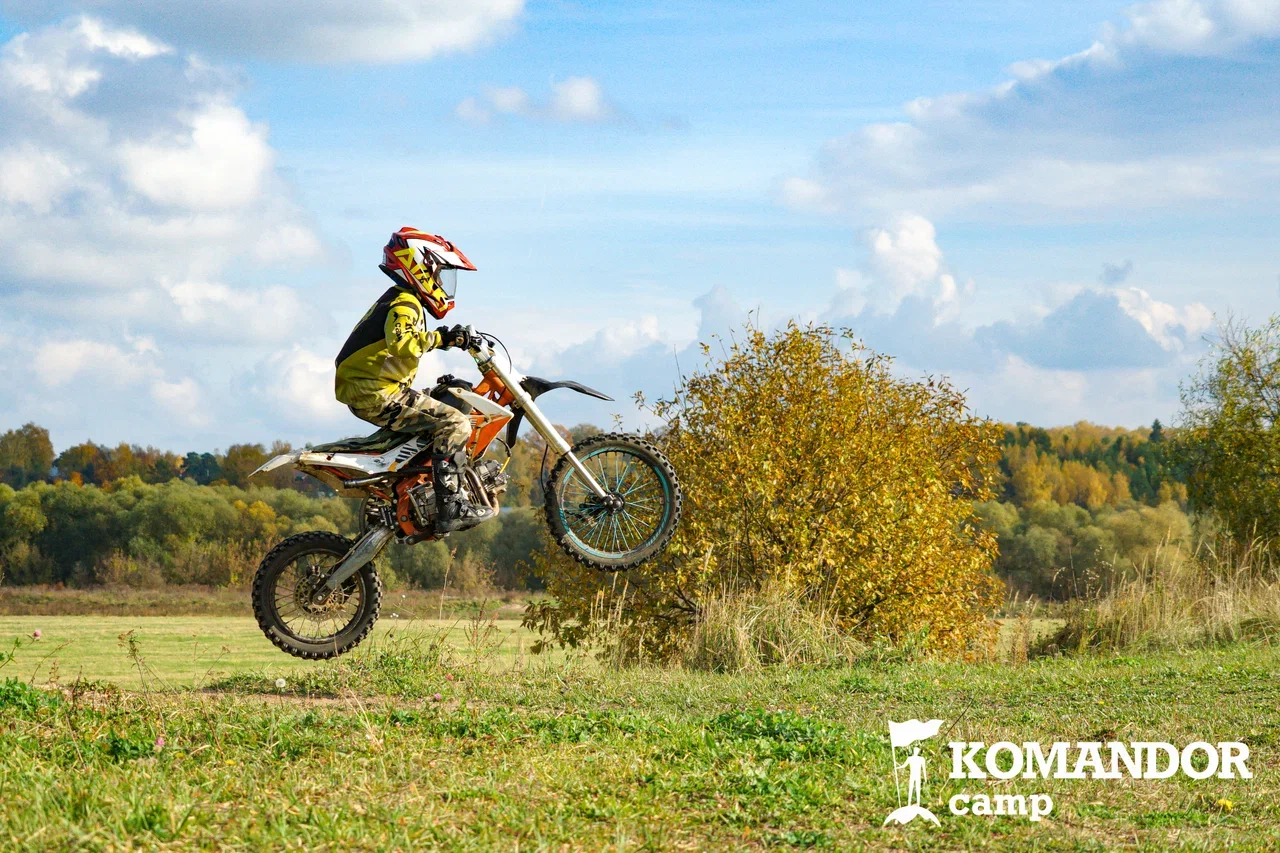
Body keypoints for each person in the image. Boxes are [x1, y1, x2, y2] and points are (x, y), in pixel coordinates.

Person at [334, 226, 496, 534]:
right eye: (442, 276)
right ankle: (451, 506)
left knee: (453, 394)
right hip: (375, 392)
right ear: (421, 268)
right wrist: (443, 337)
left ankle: (421, 486)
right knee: (455, 423)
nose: (444, 286)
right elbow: (401, 343)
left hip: (374, 388)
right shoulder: (404, 302)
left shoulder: (402, 300)